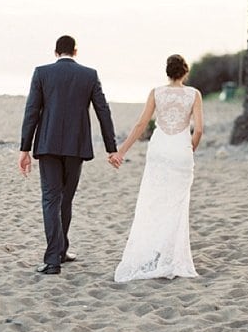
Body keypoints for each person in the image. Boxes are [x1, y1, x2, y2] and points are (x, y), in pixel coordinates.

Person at [19, 35, 118, 275]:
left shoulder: (42, 73)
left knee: (51, 199)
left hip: (48, 145)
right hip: (76, 147)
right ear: (75, 51)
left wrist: (25, 149)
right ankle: (59, 252)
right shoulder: (89, 75)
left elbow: (32, 110)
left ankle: (56, 257)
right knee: (66, 199)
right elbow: (103, 110)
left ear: (55, 52)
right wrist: (111, 148)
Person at [109, 54, 203, 282]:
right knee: (176, 205)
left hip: (160, 150)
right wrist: (190, 148)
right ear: (185, 72)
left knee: (154, 201)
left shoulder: (156, 92)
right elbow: (198, 130)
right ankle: (169, 256)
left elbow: (141, 124)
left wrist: (121, 151)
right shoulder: (194, 94)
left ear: (167, 72)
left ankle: (152, 255)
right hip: (180, 151)